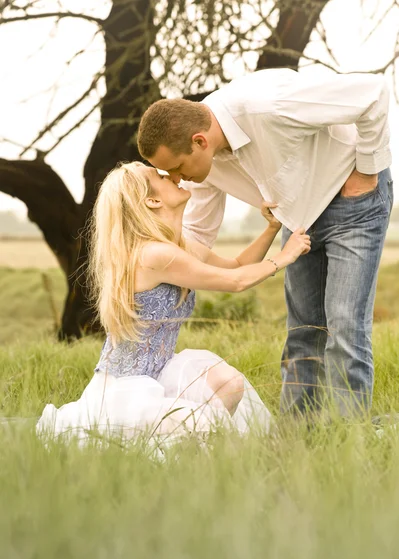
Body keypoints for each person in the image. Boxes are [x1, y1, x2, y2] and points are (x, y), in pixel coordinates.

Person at [137, 68, 394, 417]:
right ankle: (296, 436)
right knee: (303, 330)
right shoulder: (203, 162)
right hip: (298, 218)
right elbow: (195, 236)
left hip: (351, 200)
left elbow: (374, 92)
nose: (178, 180)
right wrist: (147, 262)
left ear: (199, 141)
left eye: (179, 168)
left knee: (345, 325)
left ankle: (350, 437)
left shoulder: (269, 104)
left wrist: (367, 170)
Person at [36, 162, 310, 447]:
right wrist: (285, 257)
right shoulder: (154, 255)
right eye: (161, 176)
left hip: (162, 372)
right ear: (153, 200)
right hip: (128, 391)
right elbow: (236, 282)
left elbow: (237, 265)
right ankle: (192, 460)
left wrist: (271, 229)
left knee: (229, 383)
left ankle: (201, 456)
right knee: (204, 427)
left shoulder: (179, 245)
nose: (174, 176)